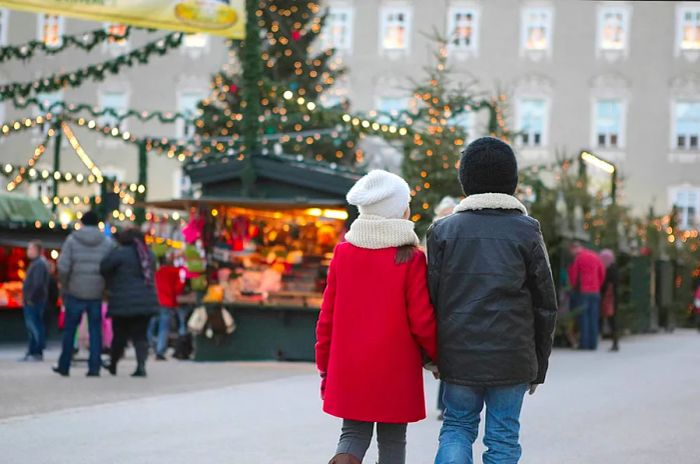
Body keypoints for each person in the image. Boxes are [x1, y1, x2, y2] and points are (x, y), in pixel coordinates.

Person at [428, 137, 558, 464]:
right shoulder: (528, 230)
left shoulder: (442, 231)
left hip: (458, 355)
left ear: (465, 181)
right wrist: (538, 366)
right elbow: (545, 303)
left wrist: (431, 355)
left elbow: (431, 297)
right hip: (513, 356)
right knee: (502, 437)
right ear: (511, 182)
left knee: (457, 426)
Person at [316, 170, 438, 464]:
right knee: (393, 440)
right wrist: (437, 357)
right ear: (400, 212)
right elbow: (421, 319)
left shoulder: (343, 253)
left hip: (349, 365)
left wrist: (324, 365)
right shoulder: (410, 257)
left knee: (352, 434)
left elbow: (327, 317)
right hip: (396, 366)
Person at [54, 211, 113, 377]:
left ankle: (64, 365)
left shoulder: (72, 241)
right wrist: (104, 286)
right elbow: (110, 268)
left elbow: (63, 267)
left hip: (75, 291)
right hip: (96, 292)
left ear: (82, 222)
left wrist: (65, 285)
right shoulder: (106, 243)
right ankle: (94, 367)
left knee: (70, 330)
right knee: (95, 331)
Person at [101, 227, 158, 377]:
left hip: (122, 301)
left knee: (119, 335)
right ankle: (141, 366)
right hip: (145, 301)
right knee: (140, 335)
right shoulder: (148, 254)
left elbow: (104, 267)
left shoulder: (119, 254)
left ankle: (113, 364)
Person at [431, 196, 459, 422]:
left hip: (452, 305)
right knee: (446, 361)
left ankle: (446, 405)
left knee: (451, 362)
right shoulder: (434, 234)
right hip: (440, 307)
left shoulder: (456, 233)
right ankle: (443, 405)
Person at [569, 241, 606, 350]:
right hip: (595, 291)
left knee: (583, 318)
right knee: (593, 318)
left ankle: (584, 344)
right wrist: (598, 285)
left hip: (583, 291)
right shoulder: (595, 256)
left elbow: (574, 275)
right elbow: (602, 272)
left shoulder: (578, 258)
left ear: (575, 249)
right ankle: (593, 344)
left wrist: (573, 287)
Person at [150, 255, 185, 360]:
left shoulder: (155, 272)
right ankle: (160, 350)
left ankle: (153, 345)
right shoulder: (175, 271)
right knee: (163, 327)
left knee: (151, 326)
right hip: (167, 301)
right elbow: (178, 288)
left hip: (154, 300)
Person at [21, 240, 50, 362]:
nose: (28, 251)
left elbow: (38, 284)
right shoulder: (37, 263)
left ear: (36, 250)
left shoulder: (38, 264)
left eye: (30, 249)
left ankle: (37, 351)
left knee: (35, 326)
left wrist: (30, 298)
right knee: (33, 326)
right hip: (34, 300)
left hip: (34, 301)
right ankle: (33, 351)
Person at [600, 249, 620, 352]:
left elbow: (605, 284)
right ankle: (614, 341)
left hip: (609, 298)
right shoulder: (614, 268)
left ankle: (615, 342)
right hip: (613, 298)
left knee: (611, 320)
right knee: (612, 320)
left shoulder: (609, 270)